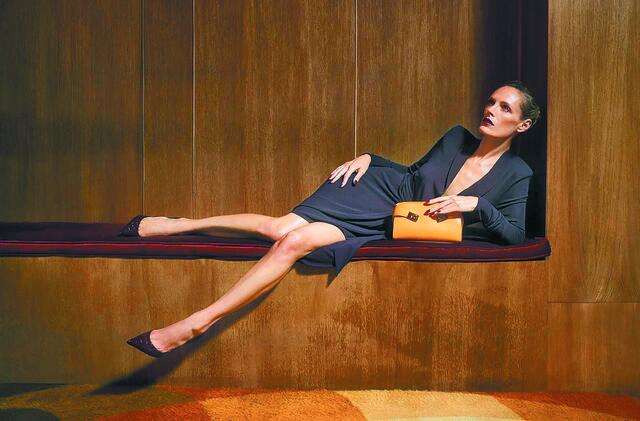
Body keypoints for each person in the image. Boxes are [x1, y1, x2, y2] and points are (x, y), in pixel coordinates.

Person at [123, 80, 541, 357]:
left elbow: (515, 235)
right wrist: (370, 157)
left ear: (521, 125)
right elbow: (412, 174)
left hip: (390, 224)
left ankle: (194, 321)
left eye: (504, 107)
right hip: (374, 193)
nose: (491, 109)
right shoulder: (456, 138)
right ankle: (179, 230)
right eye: (491, 101)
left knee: (293, 241)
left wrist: (475, 205)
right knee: (278, 228)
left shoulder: (516, 174)